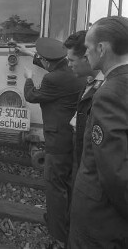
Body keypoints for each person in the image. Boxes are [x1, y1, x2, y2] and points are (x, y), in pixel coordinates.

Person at [17, 38, 85, 249]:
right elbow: (52, 64)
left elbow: (31, 96)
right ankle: (67, 221)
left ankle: (59, 236)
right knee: (68, 183)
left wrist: (28, 78)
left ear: (48, 62)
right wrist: (29, 53)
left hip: (57, 141)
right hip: (72, 137)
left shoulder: (53, 80)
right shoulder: (75, 71)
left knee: (55, 187)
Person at [68, 16, 128, 248]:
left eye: (89, 48)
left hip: (100, 218)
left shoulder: (109, 92)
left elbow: (115, 173)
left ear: (101, 49)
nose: (87, 53)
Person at [64, 31, 104, 169]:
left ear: (86, 58)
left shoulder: (107, 88)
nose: (69, 65)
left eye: (71, 60)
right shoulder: (89, 81)